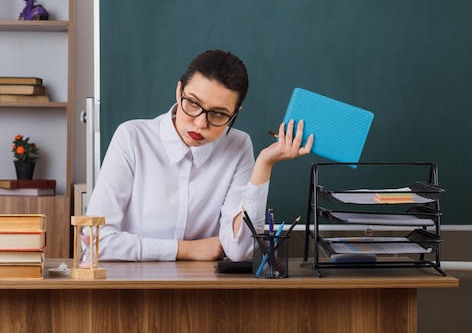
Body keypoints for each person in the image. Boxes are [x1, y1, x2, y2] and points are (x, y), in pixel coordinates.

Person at [85, 49, 313, 262]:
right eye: (193, 103)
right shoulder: (132, 138)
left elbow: (239, 250)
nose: (200, 123)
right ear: (178, 91)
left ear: (235, 113)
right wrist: (186, 249)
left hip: (199, 291)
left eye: (218, 114)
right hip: (126, 291)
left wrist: (264, 165)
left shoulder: (238, 145)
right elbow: (94, 241)